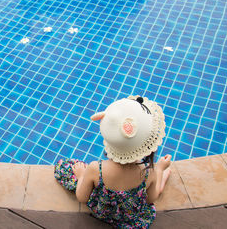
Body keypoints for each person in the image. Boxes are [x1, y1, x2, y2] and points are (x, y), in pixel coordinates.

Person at [54, 96, 172, 228]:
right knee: (156, 186)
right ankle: (163, 171)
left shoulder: (95, 169)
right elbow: (150, 199)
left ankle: (162, 172)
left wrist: (81, 175)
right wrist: (159, 170)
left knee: (67, 166)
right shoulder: (148, 173)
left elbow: (82, 197)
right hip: (132, 217)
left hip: (103, 213)